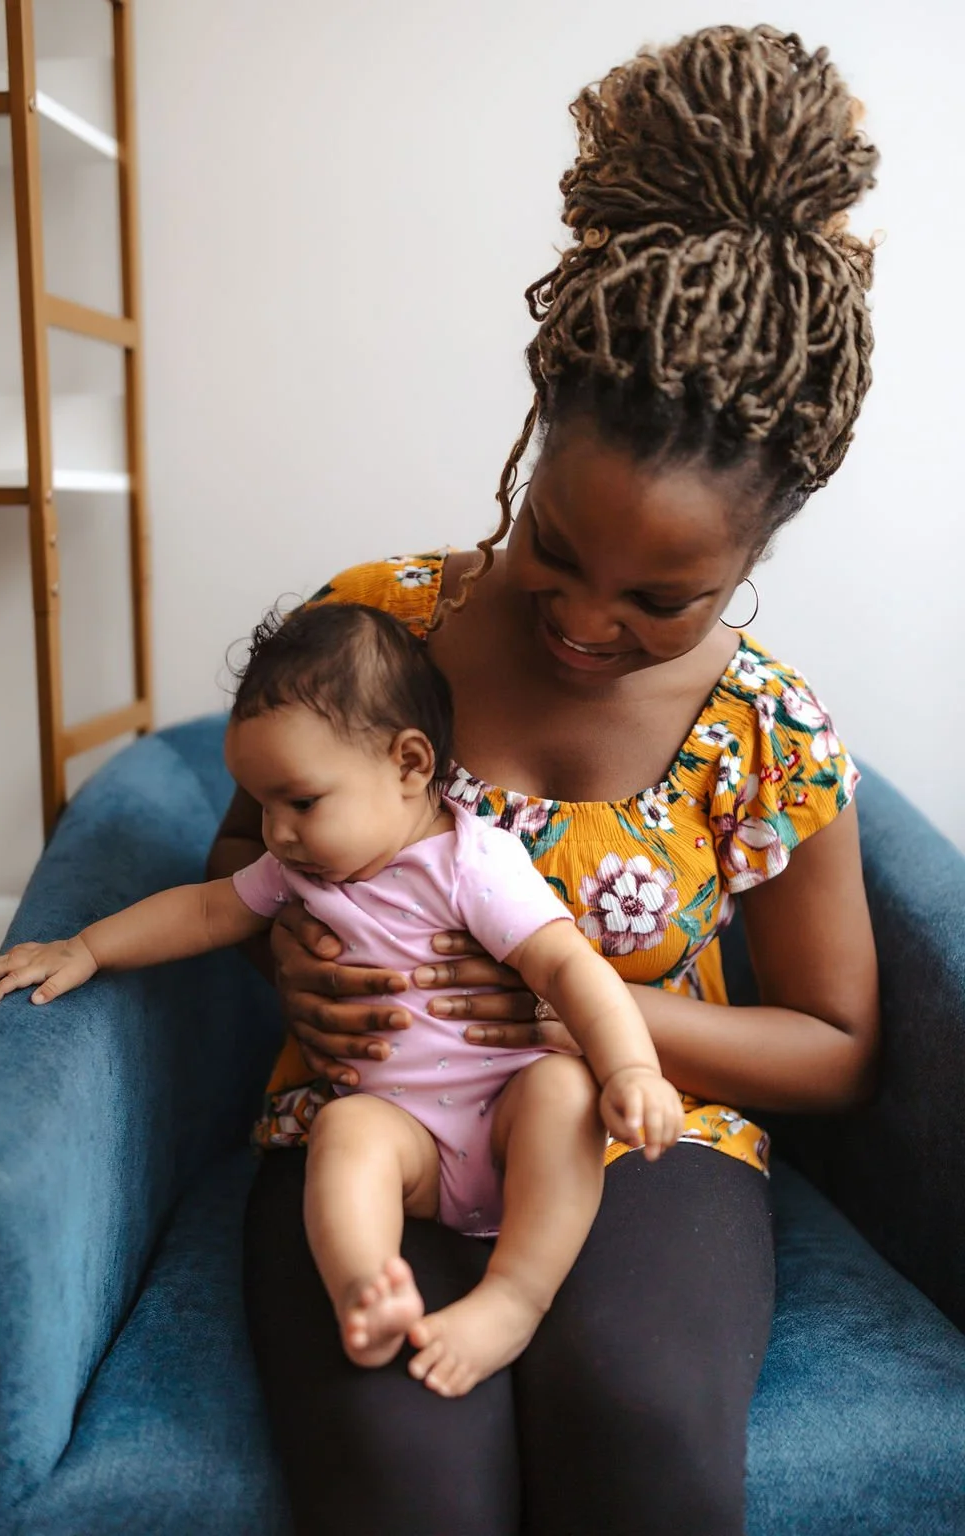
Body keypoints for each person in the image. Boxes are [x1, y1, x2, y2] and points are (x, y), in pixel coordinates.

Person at [208, 24, 881, 1536]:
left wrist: (584, 1005)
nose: (587, 623)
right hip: (372, 1119)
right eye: (554, 554)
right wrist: (284, 966)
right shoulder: (378, 634)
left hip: (648, 1138)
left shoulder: (767, 732)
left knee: (638, 1416)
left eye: (665, 602)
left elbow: (839, 1045)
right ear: (530, 447)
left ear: (753, 563)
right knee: (404, 1465)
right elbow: (235, 871)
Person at [0, 602, 684, 1399]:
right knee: (344, 1130)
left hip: (508, 1114)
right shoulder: (298, 873)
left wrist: (630, 1068)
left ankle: (514, 1296)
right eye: (262, 803)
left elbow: (568, 968)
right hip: (405, 1135)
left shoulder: (471, 864)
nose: (274, 831)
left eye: (301, 802)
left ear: (410, 765)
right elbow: (205, 909)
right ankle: (366, 1287)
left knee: (565, 1089)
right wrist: (87, 947)